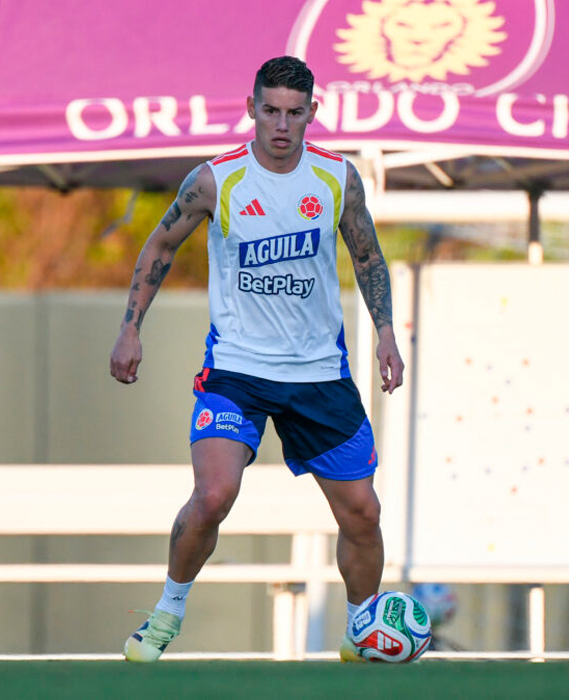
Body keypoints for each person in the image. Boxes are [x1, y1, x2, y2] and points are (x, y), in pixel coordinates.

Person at [109, 55, 404, 662]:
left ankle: (362, 630)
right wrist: (130, 328)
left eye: (294, 113)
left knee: (362, 512)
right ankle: (166, 614)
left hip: (318, 373)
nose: (281, 125)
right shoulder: (216, 181)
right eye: (270, 111)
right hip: (237, 369)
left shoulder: (337, 178)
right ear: (251, 109)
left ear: (312, 113)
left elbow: (368, 256)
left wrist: (386, 333)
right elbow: (161, 243)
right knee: (214, 494)